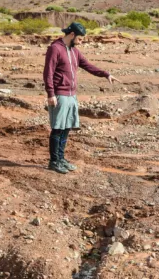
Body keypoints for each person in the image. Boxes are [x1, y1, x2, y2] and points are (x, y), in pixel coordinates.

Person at [42, 22, 117, 174]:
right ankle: (53, 161)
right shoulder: (55, 48)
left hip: (71, 95)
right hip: (60, 95)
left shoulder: (74, 51)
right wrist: (51, 94)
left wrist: (105, 74)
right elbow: (48, 73)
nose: (82, 41)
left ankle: (61, 158)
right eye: (81, 38)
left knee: (66, 128)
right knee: (57, 129)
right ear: (72, 35)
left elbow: (87, 65)